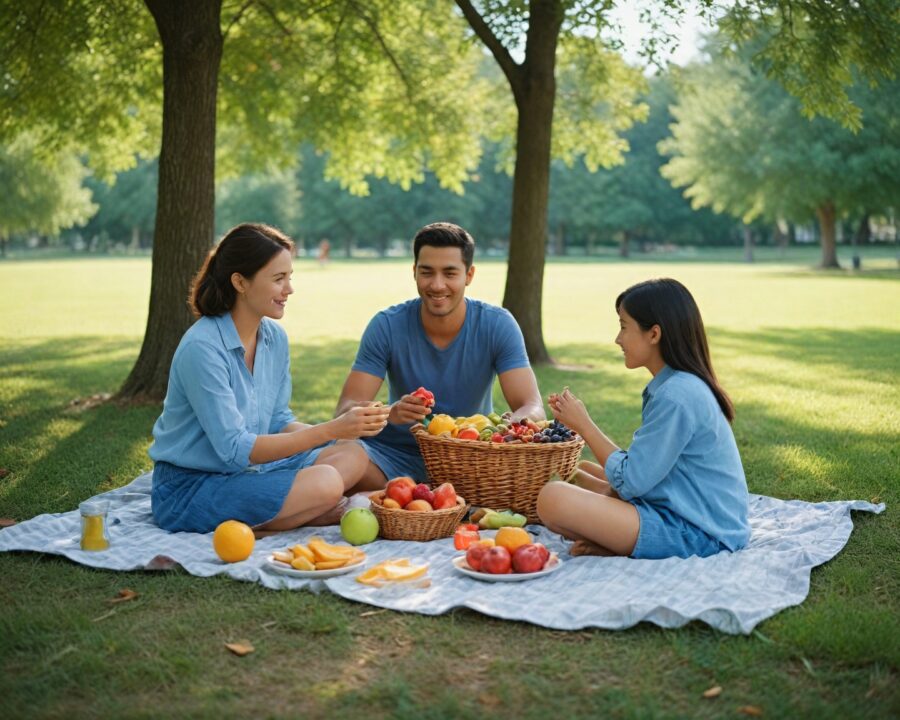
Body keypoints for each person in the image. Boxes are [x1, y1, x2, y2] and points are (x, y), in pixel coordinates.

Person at [149, 223, 390, 534]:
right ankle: (302, 513)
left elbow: (278, 419)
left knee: (353, 454)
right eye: (279, 279)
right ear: (240, 282)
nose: (289, 289)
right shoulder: (203, 348)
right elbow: (235, 450)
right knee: (327, 481)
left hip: (253, 472)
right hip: (192, 487)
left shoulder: (273, 338)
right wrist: (328, 429)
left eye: (289, 278)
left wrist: (344, 432)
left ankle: (295, 512)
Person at [537, 278, 750, 559]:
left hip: (699, 533)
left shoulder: (676, 395)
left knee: (553, 498)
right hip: (686, 510)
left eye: (624, 326)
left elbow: (632, 480)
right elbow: (644, 471)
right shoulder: (676, 384)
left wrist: (584, 425)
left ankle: (619, 542)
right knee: (583, 471)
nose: (618, 339)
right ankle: (614, 540)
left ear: (654, 334)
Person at [334, 222, 545, 489]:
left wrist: (509, 427)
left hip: (469, 460)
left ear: (469, 275)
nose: (437, 285)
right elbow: (344, 410)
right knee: (343, 453)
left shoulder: (497, 325)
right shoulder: (386, 325)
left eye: (449, 273)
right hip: (391, 460)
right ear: (414, 272)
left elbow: (532, 407)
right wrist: (390, 413)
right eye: (427, 272)